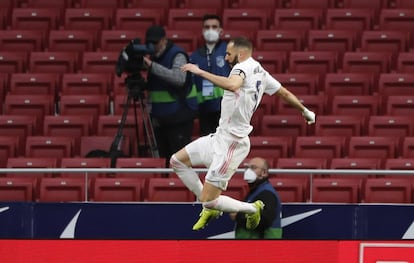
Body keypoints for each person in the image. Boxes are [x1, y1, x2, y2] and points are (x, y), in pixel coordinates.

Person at [170, 37, 315, 231]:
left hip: (232, 143)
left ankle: (251, 209)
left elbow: (232, 85)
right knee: (176, 161)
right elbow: (285, 94)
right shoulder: (261, 73)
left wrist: (200, 71)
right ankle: (209, 205)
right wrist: (305, 111)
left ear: (241, 54)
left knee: (208, 199)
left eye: (229, 53)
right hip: (219, 137)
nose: (226, 57)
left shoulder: (241, 68)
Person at [142, 25, 198, 165]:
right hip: (160, 119)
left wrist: (152, 66)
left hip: (179, 118)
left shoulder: (177, 54)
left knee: (179, 162)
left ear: (164, 40)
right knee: (163, 160)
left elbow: (179, 79)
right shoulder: (154, 56)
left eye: (156, 42)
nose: (153, 46)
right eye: (150, 42)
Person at [190, 14, 230, 136]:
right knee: (208, 149)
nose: (210, 30)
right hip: (204, 111)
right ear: (202, 31)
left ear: (221, 31)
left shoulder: (229, 50)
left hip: (226, 109)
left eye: (214, 27)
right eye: (207, 27)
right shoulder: (195, 56)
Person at [230, 157, 282, 239]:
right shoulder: (255, 191)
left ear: (264, 172)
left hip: (262, 246)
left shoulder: (267, 194)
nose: (248, 171)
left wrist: (238, 216)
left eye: (253, 168)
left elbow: (264, 220)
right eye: (247, 168)